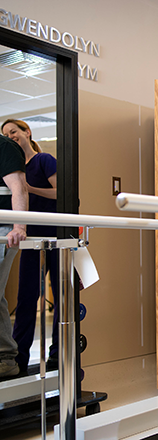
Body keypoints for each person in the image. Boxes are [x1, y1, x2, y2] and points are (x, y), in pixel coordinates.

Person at [2, 119, 58, 373]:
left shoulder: (44, 160)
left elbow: (62, 191)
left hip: (53, 236)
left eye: (14, 132)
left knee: (61, 297)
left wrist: (28, 187)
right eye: (6, 134)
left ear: (27, 132)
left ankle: (58, 354)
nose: (11, 136)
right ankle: (19, 358)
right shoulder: (11, 163)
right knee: (26, 298)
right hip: (29, 239)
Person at [0, 134, 28, 378]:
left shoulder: (5, 147)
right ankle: (6, 358)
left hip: (3, 228)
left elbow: (19, 187)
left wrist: (19, 227)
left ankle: (6, 358)